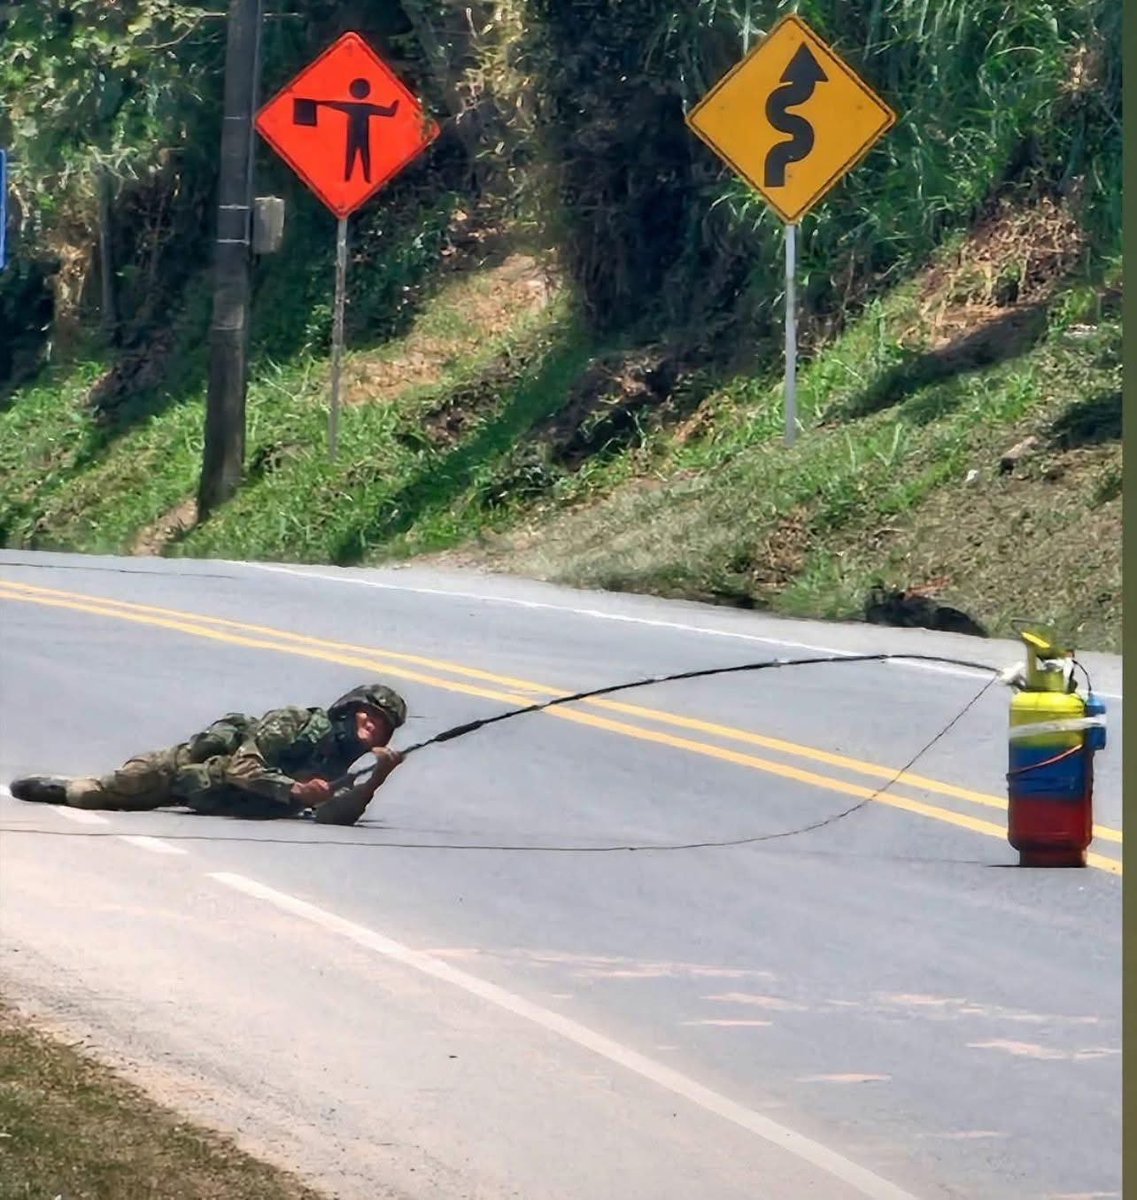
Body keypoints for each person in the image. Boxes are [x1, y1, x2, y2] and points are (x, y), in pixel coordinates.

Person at [8, 683, 407, 826]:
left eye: (382, 725)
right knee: (114, 790)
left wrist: (376, 779)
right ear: (348, 710)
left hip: (227, 801)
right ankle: (59, 789)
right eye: (368, 715)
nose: (373, 725)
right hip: (197, 773)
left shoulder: (342, 762)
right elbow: (241, 767)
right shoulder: (295, 722)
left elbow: (332, 816)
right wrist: (296, 791)